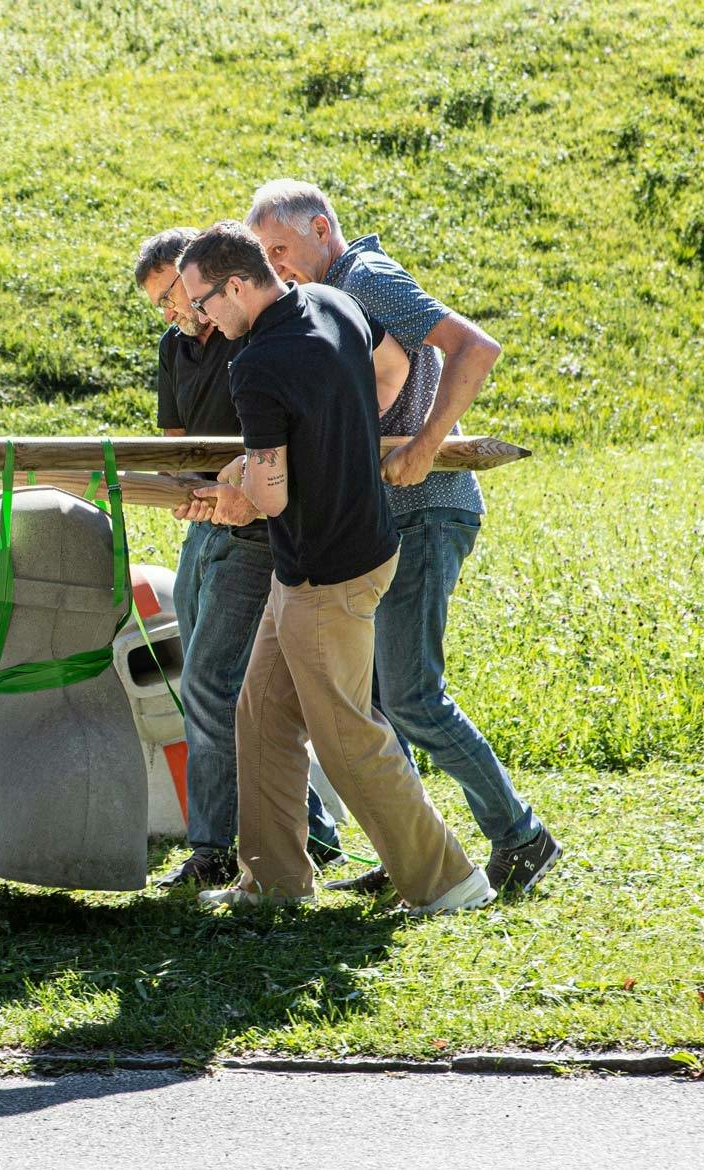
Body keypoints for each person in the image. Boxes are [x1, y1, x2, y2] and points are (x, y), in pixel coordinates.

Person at [245, 180, 561, 895]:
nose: (278, 267)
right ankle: (407, 855)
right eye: (264, 255)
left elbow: (473, 347)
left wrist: (425, 444)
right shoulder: (330, 297)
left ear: (322, 229)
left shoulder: (366, 277)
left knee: (412, 696)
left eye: (282, 250)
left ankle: (522, 837)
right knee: (383, 699)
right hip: (395, 516)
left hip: (430, 505)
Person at [179, 220, 492, 914]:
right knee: (260, 713)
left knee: (346, 736)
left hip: (327, 572)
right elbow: (392, 371)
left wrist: (228, 504)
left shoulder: (255, 366)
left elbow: (269, 495)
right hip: (342, 553)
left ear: (236, 286)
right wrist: (338, 439)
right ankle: (275, 882)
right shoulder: (333, 303)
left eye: (202, 303)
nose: (199, 319)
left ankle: (449, 881)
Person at [134, 228, 342, 888]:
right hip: (204, 526)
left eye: (177, 295)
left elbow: (269, 437)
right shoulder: (175, 346)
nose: (176, 310)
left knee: (211, 684)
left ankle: (213, 848)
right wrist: (181, 489)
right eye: (164, 305)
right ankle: (316, 832)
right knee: (216, 686)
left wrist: (233, 487)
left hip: (252, 528)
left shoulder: (249, 329)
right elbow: (174, 439)